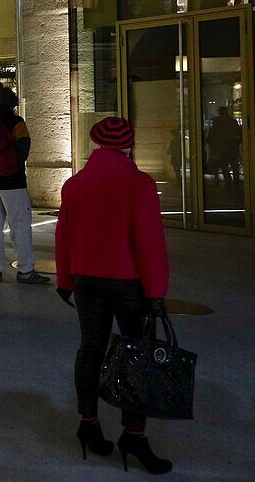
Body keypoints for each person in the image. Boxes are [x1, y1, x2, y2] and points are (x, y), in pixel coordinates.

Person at [55, 116, 172, 475]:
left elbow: (63, 235)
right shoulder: (139, 184)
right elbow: (148, 243)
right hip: (128, 283)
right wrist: (156, 292)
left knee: (90, 350)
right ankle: (133, 434)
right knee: (137, 355)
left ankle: (88, 424)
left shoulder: (75, 184)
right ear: (128, 144)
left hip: (86, 281)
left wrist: (64, 280)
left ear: (95, 144)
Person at [0, 84, 49, 284]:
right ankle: (25, 270)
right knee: (20, 226)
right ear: (13, 106)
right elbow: (23, 151)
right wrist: (8, 168)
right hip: (14, 182)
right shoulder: (17, 123)